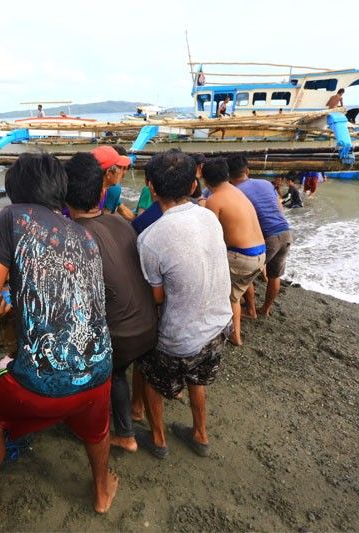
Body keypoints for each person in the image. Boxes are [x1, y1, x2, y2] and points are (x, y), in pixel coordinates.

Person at [0, 153, 117, 523]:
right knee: (97, 428)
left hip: (36, 389)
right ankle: (101, 492)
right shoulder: (85, 235)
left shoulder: (11, 218)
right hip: (98, 377)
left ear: (15, 191)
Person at [135, 150, 233, 460]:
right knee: (198, 377)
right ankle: (200, 434)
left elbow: (158, 297)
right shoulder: (208, 216)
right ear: (193, 186)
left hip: (180, 340)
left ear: (151, 188)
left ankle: (158, 438)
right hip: (219, 325)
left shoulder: (150, 238)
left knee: (149, 374)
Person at [64, 153, 158, 453]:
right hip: (150, 326)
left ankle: (123, 434)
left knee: (106, 364)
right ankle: (136, 409)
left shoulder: (74, 236)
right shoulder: (119, 221)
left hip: (124, 339)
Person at [202, 158, 266, 346]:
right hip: (260, 254)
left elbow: (211, 236)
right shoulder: (237, 192)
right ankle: (237, 332)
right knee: (234, 295)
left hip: (242, 256)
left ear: (205, 181)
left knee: (217, 290)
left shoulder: (214, 200)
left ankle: (227, 333)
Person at [228, 156, 292, 318]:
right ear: (247, 170)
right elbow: (279, 207)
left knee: (245, 275)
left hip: (267, 237)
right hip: (285, 231)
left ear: (228, 175)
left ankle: (250, 310)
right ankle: (266, 309)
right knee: (274, 275)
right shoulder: (265, 183)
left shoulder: (235, 192)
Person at [92, 145, 134, 221]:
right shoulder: (114, 189)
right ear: (108, 172)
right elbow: (104, 219)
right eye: (119, 167)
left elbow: (121, 207)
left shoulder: (101, 187)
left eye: (126, 168)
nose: (123, 172)